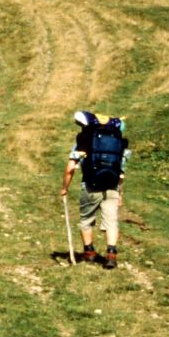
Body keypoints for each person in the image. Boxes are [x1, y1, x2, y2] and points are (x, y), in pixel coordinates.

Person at [60, 110, 130, 269]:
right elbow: (121, 171)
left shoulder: (84, 139)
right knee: (112, 221)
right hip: (112, 185)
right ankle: (111, 254)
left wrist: (65, 188)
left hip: (90, 185)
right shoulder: (119, 142)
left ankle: (89, 252)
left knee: (86, 219)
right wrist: (120, 193)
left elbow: (70, 168)